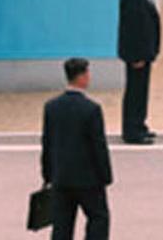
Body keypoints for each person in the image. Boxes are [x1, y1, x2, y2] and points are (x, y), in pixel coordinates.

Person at [41, 58, 113, 240]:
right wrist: (105, 175)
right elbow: (98, 146)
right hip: (88, 179)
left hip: (61, 177)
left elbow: (47, 143)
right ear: (81, 76)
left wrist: (48, 174)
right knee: (98, 218)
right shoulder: (91, 109)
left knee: (62, 225)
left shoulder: (51, 107)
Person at [118, 0, 160, 145]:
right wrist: (136, 55)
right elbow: (131, 28)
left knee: (141, 90)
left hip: (145, 51)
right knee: (135, 91)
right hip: (137, 53)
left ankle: (139, 125)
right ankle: (132, 130)